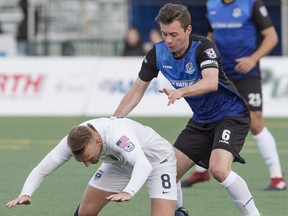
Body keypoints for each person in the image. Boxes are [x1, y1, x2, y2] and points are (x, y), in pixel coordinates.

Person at [113, 3, 262, 215]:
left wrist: (182, 92)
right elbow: (136, 91)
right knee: (167, 172)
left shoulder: (204, 47)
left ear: (188, 29)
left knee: (219, 169)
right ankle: (179, 212)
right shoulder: (157, 54)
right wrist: (114, 121)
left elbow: (210, 82)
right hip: (201, 120)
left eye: (174, 34)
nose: (169, 40)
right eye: (164, 34)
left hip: (230, 115)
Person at [182, 0, 287, 191]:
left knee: (255, 122)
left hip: (247, 74)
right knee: (209, 118)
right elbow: (210, 38)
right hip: (219, 75)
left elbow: (271, 37)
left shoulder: (251, 4)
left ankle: (277, 177)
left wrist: (253, 59)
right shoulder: (212, 5)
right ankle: (201, 170)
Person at [6, 117, 188, 216]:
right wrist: (25, 193)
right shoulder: (73, 140)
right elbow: (41, 169)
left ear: (99, 141)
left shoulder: (119, 135)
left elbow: (143, 164)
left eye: (89, 158)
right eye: (82, 161)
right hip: (118, 163)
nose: (87, 164)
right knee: (85, 212)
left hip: (157, 162)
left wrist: (129, 191)